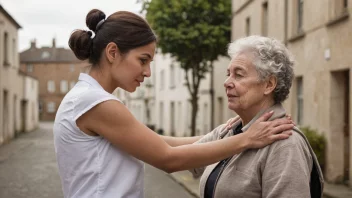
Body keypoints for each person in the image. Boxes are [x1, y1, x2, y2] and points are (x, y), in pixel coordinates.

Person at [53, 9, 294, 198]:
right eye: (143, 60)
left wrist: (224, 134)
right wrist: (247, 138)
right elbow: (168, 158)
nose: (148, 72)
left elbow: (158, 142)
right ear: (113, 52)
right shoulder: (95, 103)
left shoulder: (86, 97)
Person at [190, 35, 324, 198]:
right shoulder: (230, 131)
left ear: (269, 84)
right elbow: (175, 156)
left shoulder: (285, 144)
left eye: (238, 75)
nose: (227, 82)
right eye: (228, 74)